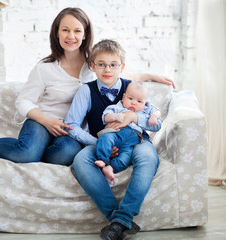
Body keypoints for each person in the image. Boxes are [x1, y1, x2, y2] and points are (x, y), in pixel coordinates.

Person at [0, 7, 174, 168]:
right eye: (65, 30)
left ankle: (39, 152)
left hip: (71, 130)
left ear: (85, 34)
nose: (71, 36)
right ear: (57, 33)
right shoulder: (45, 68)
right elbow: (23, 101)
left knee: (66, 155)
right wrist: (45, 120)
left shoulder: (94, 63)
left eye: (77, 31)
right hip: (42, 121)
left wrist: (154, 76)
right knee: (26, 152)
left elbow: (122, 73)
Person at [65, 39, 164, 240]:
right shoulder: (86, 90)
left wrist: (134, 117)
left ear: (122, 67)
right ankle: (120, 220)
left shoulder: (134, 88)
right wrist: (98, 143)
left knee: (148, 158)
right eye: (101, 64)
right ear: (92, 66)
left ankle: (119, 222)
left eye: (113, 65)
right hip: (103, 139)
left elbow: (155, 123)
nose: (107, 70)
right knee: (80, 161)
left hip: (137, 139)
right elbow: (72, 125)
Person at [95, 81, 162, 182]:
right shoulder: (118, 107)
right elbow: (105, 117)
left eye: (139, 101)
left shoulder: (146, 109)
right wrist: (115, 116)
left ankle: (111, 168)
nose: (134, 103)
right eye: (130, 98)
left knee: (126, 156)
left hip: (133, 140)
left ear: (145, 102)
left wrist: (154, 116)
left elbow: (157, 112)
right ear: (123, 97)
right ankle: (102, 159)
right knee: (105, 138)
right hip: (116, 133)